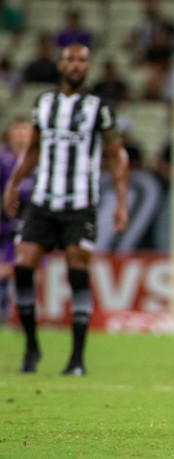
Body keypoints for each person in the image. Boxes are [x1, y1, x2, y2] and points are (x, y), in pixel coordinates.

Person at [3, 43, 129, 376]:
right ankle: (31, 348)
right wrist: (13, 183)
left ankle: (76, 360)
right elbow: (32, 150)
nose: (76, 65)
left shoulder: (99, 108)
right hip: (43, 201)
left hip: (80, 205)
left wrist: (121, 202)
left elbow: (117, 155)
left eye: (82, 61)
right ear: (60, 65)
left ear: (88, 67)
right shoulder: (44, 103)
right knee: (23, 268)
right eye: (70, 60)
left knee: (77, 273)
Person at [0, 118, 34, 321]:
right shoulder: (2, 162)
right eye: (17, 133)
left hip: (31, 230)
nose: (21, 137)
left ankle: (25, 322)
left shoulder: (42, 164)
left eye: (25, 133)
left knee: (27, 275)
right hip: (3, 230)